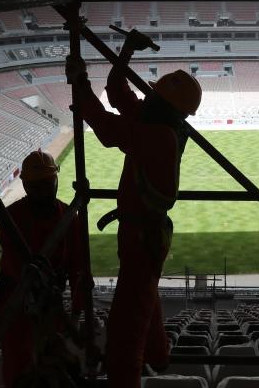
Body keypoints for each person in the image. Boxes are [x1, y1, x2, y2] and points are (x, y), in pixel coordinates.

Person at [66, 31, 202, 388]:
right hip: (142, 234)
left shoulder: (158, 134)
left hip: (142, 237)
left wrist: (79, 83)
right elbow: (117, 93)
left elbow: (106, 127)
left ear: (166, 104)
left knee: (125, 332)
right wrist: (126, 50)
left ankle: (129, 376)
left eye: (155, 93)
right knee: (144, 301)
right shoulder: (157, 121)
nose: (149, 94)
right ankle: (158, 354)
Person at [0, 149, 88, 388]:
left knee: (51, 366)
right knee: (19, 366)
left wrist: (76, 314)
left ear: (56, 180)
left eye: (47, 184)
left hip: (47, 303)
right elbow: (15, 264)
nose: (43, 191)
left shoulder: (68, 218)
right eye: (36, 186)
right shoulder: (12, 218)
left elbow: (79, 267)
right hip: (17, 302)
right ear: (25, 186)